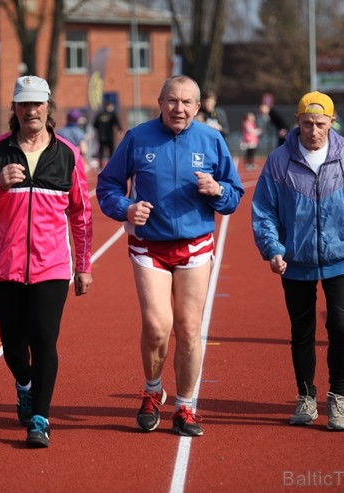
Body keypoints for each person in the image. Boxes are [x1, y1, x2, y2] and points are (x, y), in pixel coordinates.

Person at [96, 75, 244, 437]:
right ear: (160, 102)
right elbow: (108, 185)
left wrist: (218, 190)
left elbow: (234, 194)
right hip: (150, 246)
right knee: (157, 327)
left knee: (190, 330)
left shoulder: (211, 140)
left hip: (195, 246)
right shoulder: (137, 138)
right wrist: (126, 209)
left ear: (198, 107)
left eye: (187, 102)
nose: (179, 108)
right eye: (172, 101)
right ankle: (151, 391)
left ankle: (185, 407)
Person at [0, 75, 94, 448]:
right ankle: (24, 384)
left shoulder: (67, 154)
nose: (31, 110)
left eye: (38, 103)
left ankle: (40, 418)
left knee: (44, 340)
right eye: (24, 104)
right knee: (14, 349)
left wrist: (83, 265)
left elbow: (82, 215)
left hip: (52, 267)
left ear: (48, 107)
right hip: (5, 267)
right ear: (15, 109)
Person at [251, 91, 344, 431]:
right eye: (308, 123)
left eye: (321, 124)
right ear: (297, 121)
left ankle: (337, 397)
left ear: (332, 122)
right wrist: (273, 248)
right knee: (302, 331)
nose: (314, 130)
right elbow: (264, 210)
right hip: (296, 259)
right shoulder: (279, 161)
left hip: (340, 257)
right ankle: (306, 396)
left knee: (342, 328)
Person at [92, 101, 122, 170]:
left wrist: (100, 130)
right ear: (109, 106)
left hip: (101, 136)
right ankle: (112, 166)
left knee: (101, 151)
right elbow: (117, 123)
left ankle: (100, 167)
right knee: (111, 151)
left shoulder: (99, 115)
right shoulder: (112, 114)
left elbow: (94, 125)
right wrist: (120, 131)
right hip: (109, 136)